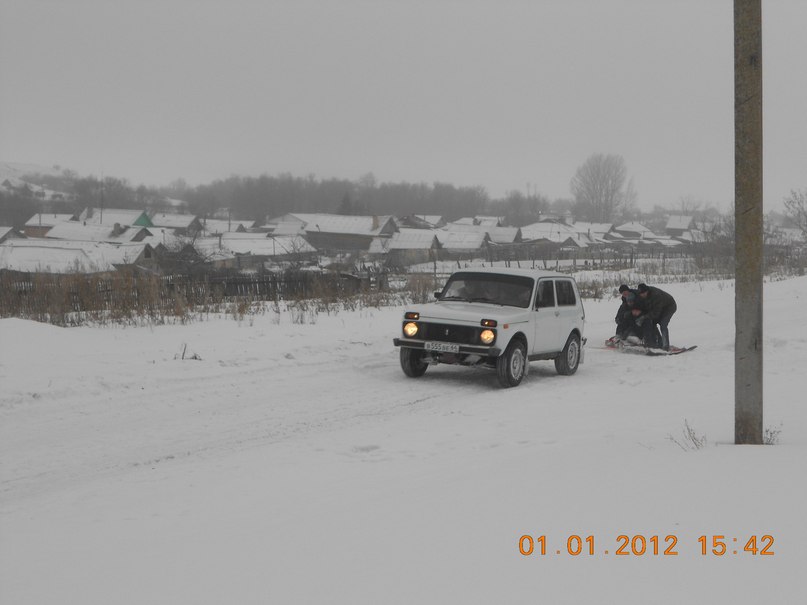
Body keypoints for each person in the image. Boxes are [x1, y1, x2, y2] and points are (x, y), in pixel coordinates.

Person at [636, 283, 677, 350]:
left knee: (663, 325)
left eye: (643, 293)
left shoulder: (656, 295)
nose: (642, 295)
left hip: (669, 307)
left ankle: (665, 346)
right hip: (659, 308)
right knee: (652, 323)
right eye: (641, 294)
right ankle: (658, 342)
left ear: (647, 291)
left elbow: (655, 313)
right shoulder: (642, 294)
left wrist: (643, 317)